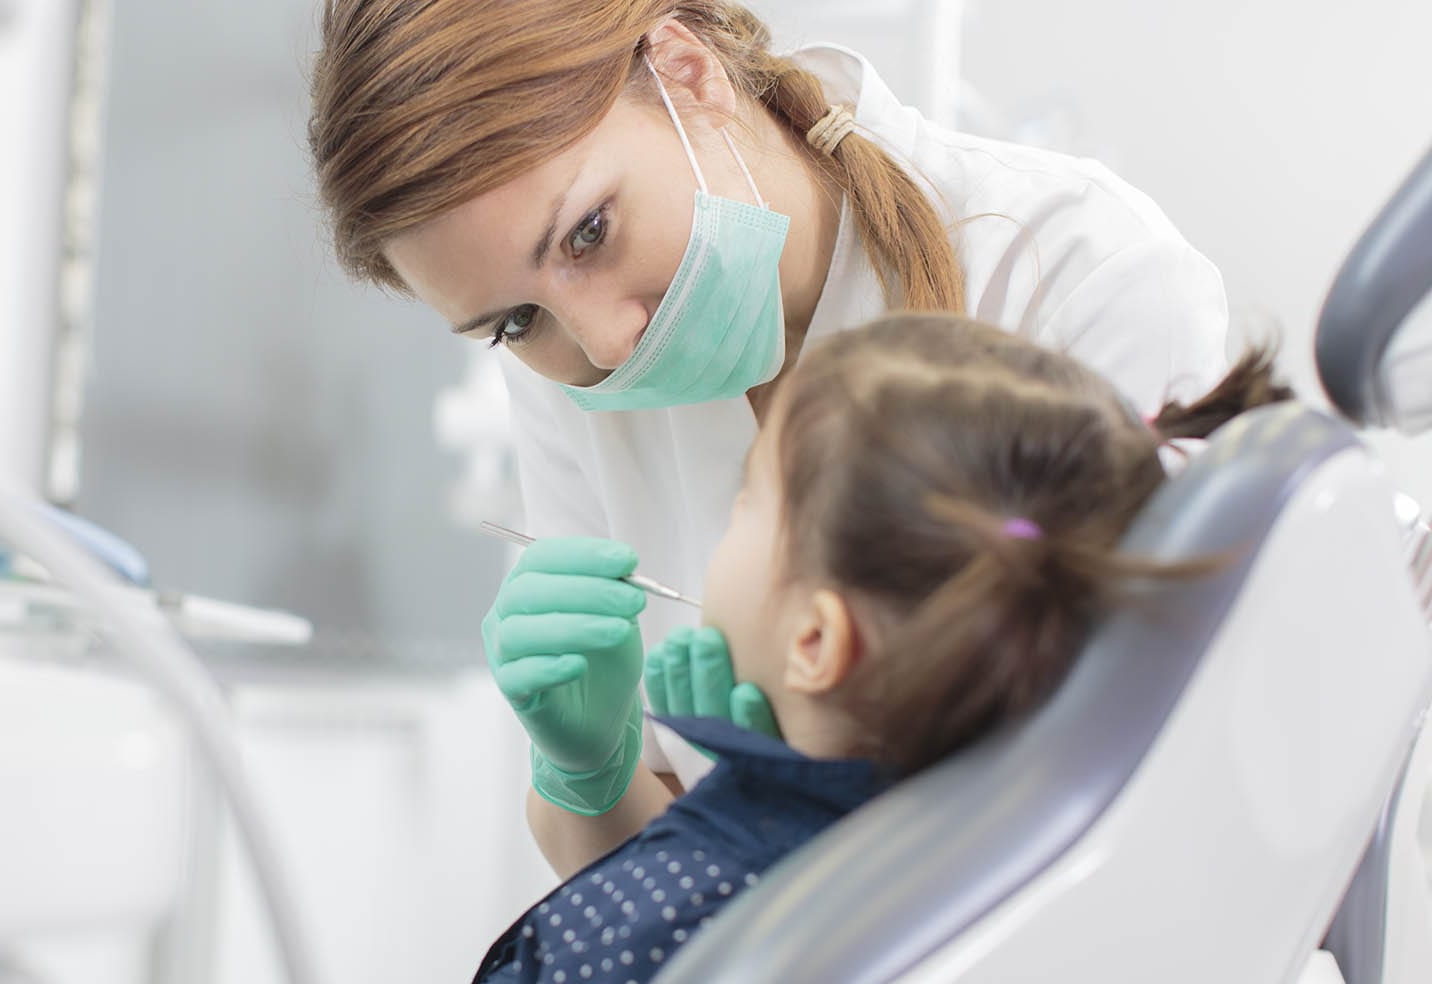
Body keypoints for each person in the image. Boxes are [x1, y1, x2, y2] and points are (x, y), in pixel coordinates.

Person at [308, 0, 1233, 875]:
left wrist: (802, 829)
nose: (605, 345)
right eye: (516, 322)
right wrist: (589, 775)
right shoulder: (564, 373)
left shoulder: (1076, 273)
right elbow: (645, 890)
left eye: (590, 233)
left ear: (689, 71)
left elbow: (1128, 807)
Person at [369, 314, 1286, 984]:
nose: (726, 521)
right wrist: (744, 795)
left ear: (814, 641)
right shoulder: (933, 867)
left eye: (747, 497)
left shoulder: (668, 917)